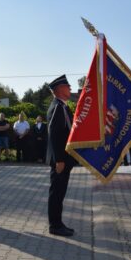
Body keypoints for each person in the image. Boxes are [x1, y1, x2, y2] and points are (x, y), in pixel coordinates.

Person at [46, 75, 76, 237]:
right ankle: (55, 225)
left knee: (60, 192)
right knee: (56, 192)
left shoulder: (63, 106)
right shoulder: (57, 107)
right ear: (59, 90)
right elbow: (54, 135)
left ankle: (58, 222)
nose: (70, 88)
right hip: (60, 160)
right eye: (68, 86)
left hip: (64, 159)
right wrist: (59, 159)